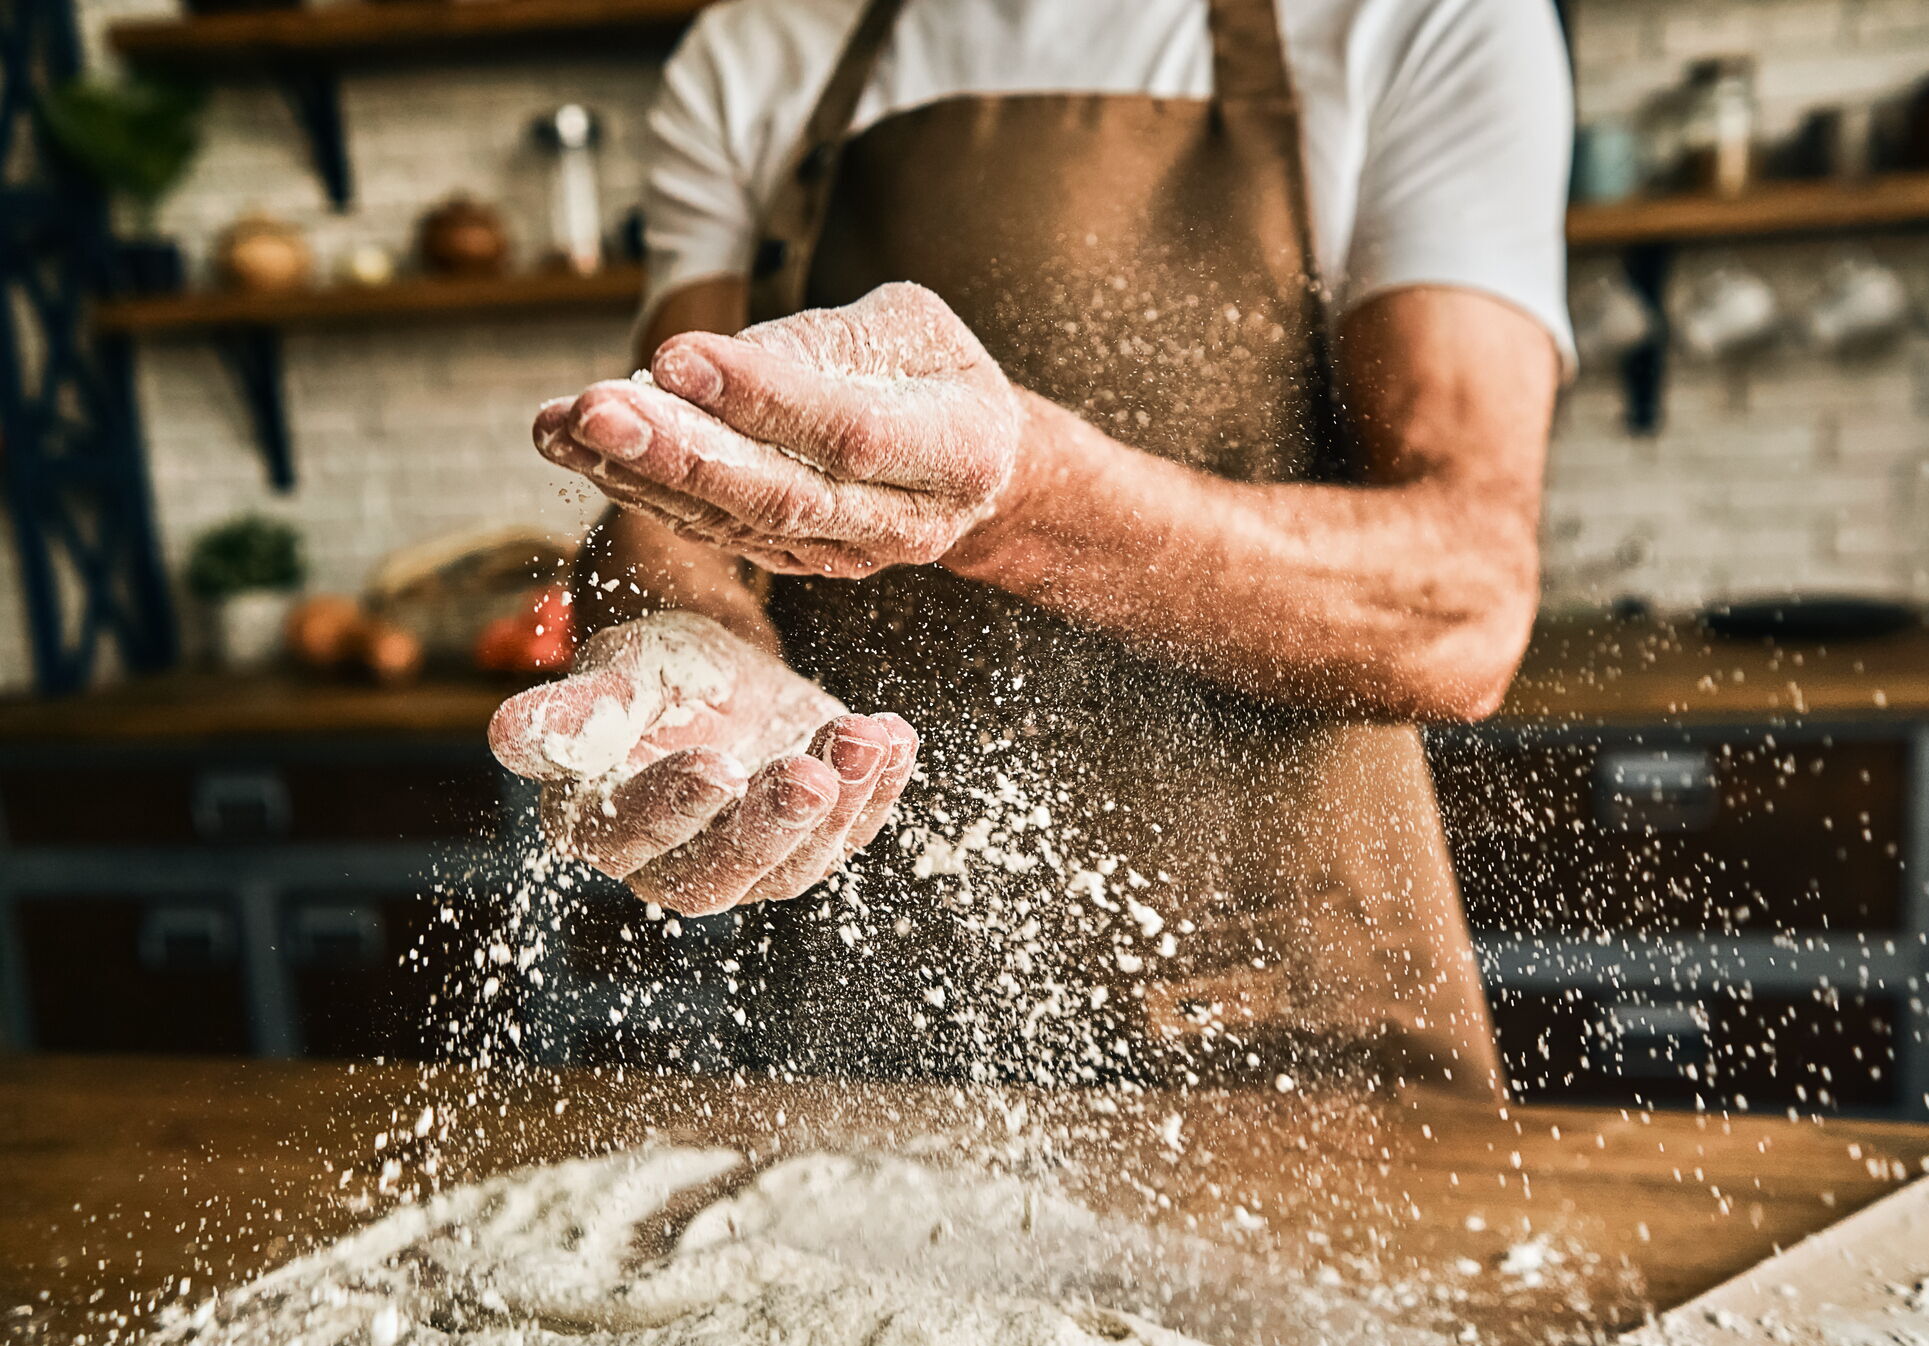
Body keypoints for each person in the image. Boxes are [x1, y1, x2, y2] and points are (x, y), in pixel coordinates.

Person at [489, 0, 1573, 1095]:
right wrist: (674, 630)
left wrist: (1017, 497)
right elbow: (670, 490)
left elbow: (1463, 597)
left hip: (1298, 1019)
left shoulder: (1415, 17)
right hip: (880, 1009)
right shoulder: (762, 49)